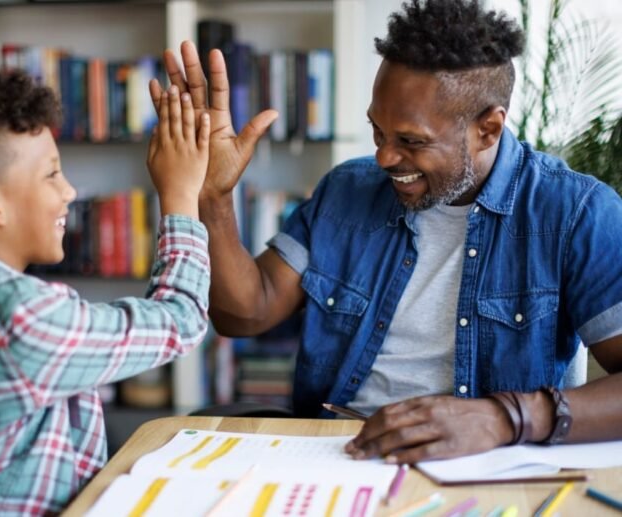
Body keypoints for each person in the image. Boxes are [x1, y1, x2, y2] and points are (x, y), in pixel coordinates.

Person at [150, 0, 622, 464]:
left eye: (411, 142)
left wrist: (503, 418)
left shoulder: (576, 213)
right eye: (378, 132)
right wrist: (211, 197)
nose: (384, 158)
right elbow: (244, 314)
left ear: (488, 129)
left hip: (488, 466)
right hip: (336, 456)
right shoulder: (347, 190)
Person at [0, 67, 211, 515]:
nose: (69, 191)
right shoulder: (16, 317)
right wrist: (182, 194)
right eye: (52, 174)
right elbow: (182, 319)